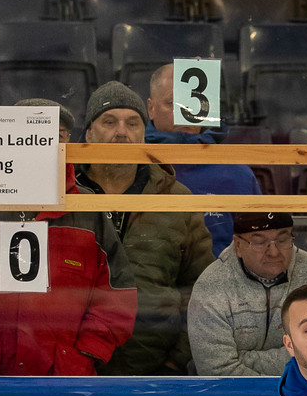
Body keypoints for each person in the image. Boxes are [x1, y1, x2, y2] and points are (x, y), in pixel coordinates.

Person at [0, 98, 139, 375]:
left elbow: (117, 296)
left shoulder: (87, 210)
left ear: (67, 142)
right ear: (8, 141)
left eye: (55, 137)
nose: (43, 145)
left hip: (66, 384)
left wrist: (84, 354)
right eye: (31, 136)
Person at [70, 82, 211, 374]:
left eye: (132, 123)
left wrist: (176, 362)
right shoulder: (64, 195)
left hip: (154, 370)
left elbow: (201, 290)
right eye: (109, 122)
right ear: (88, 134)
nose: (122, 132)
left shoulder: (176, 199)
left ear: (144, 134)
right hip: (69, 367)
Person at [188, 211, 307, 374]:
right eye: (259, 242)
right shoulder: (212, 285)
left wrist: (243, 359)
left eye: (282, 240)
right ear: (238, 245)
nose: (274, 252)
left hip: (301, 392)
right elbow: (217, 371)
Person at [146, 61, 255, 257]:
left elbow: (259, 246)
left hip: (221, 285)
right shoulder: (131, 164)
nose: (184, 114)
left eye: (192, 102)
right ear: (151, 109)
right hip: (148, 284)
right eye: (172, 103)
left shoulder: (238, 173)